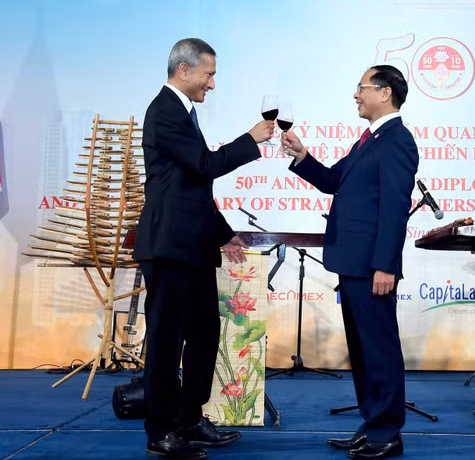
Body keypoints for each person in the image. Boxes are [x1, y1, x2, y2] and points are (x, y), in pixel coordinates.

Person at [134, 38, 274, 460]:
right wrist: (250, 140)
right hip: (169, 248)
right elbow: (204, 165)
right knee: (166, 342)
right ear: (184, 70)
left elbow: (191, 187)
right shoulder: (164, 110)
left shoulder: (182, 113)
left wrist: (223, 233)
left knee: (204, 335)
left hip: (192, 247)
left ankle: (189, 418)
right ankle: (161, 431)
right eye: (208, 74)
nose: (212, 84)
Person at [281, 64, 418, 460]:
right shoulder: (369, 140)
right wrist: (302, 156)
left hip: (372, 267)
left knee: (379, 350)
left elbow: (394, 208)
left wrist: (385, 266)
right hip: (354, 264)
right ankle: (372, 425)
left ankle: (387, 434)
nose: (356, 95)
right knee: (362, 352)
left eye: (362, 87)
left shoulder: (397, 140)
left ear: (385, 93)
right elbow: (333, 181)